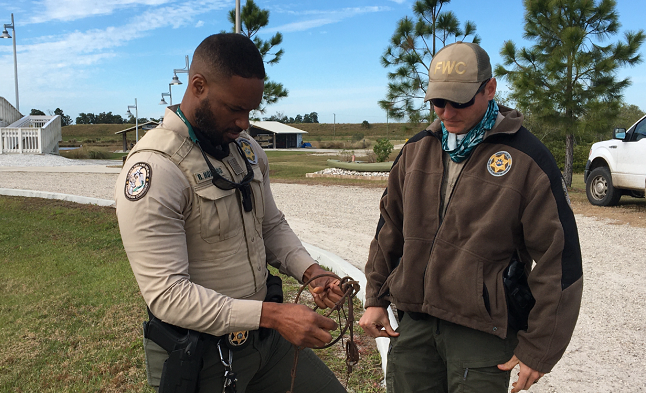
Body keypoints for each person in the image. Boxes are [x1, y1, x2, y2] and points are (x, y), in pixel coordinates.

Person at [115, 33, 347, 393]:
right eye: (235, 109)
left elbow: (270, 225)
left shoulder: (245, 150)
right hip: (203, 357)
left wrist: (311, 272)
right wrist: (273, 316)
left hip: (265, 343)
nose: (244, 123)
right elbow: (166, 294)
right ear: (198, 86)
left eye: (250, 111)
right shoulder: (156, 170)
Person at [359, 42, 583, 393]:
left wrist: (540, 348)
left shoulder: (528, 158)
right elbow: (390, 229)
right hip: (414, 327)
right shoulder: (417, 150)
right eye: (437, 102)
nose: (446, 112)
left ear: (489, 88)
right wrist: (375, 299)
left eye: (459, 101)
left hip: (482, 336)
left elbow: (561, 260)